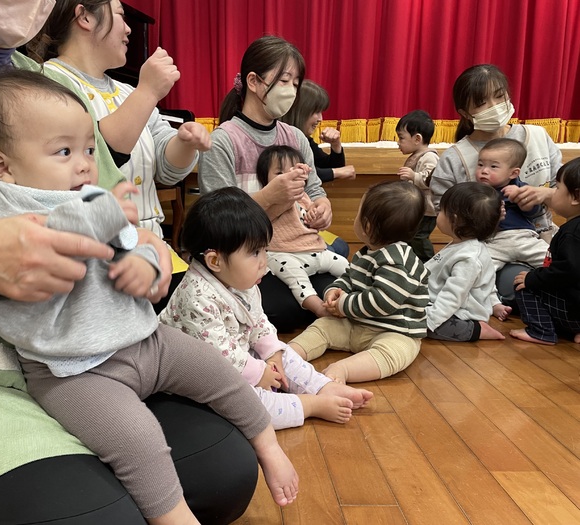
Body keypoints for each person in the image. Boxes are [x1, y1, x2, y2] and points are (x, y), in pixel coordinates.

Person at [0, 2, 272, 523]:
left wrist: (149, 253)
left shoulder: (44, 83)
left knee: (224, 473)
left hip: (101, 346)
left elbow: (111, 201)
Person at [0, 68, 299, 524]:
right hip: (75, 372)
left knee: (218, 372)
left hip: (145, 340)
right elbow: (46, 248)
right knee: (138, 439)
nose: (85, 164)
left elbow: (133, 246)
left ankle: (267, 443)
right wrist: (102, 218)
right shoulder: (1, 218)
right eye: (64, 151)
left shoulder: (89, 197)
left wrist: (146, 266)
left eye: (88, 149)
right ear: (3, 166)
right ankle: (174, 517)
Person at [31, 0, 211, 310]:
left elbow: (167, 170)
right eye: (120, 16)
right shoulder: (49, 81)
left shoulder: (127, 91)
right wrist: (148, 91)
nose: (129, 29)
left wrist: (185, 143)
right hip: (98, 259)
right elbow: (98, 158)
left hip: (152, 247)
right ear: (85, 17)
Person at [159, 187, 373, 430]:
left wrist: (272, 353)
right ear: (215, 261)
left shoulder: (241, 280)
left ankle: (322, 386)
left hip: (235, 356)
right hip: (198, 377)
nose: (264, 261)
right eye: (255, 253)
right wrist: (259, 373)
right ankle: (308, 405)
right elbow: (219, 358)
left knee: (283, 352)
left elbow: (258, 320)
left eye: (265, 250)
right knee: (244, 403)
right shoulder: (196, 297)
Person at [198, 35, 336, 332]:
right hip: (250, 258)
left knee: (339, 289)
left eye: (296, 83)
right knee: (282, 309)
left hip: (301, 249)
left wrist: (323, 207)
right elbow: (216, 221)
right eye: (284, 81)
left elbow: (315, 190)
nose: (291, 91)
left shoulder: (295, 137)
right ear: (253, 81)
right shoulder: (223, 141)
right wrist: (268, 196)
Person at [429, 63, 561, 303]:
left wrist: (545, 195)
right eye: (482, 103)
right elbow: (445, 217)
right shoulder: (454, 158)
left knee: (564, 273)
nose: (494, 106)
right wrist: (483, 217)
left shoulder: (537, 136)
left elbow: (567, 194)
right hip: (488, 246)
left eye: (500, 97)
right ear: (465, 112)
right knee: (514, 286)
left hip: (542, 240)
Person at [288, 181, 430, 384]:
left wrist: (343, 304)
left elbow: (382, 301)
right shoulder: (367, 253)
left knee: (394, 352)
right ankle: (288, 355)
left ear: (367, 226)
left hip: (393, 332)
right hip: (356, 324)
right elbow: (349, 277)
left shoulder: (398, 261)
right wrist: (335, 289)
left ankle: (343, 369)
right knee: (322, 327)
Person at [256, 145, 349, 317]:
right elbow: (264, 217)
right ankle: (319, 309)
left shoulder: (303, 196)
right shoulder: (270, 200)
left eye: (293, 171)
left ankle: (364, 292)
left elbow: (309, 215)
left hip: (315, 250)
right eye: (279, 173)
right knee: (299, 282)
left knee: (345, 265)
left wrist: (315, 213)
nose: (287, 178)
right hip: (283, 254)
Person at [425, 182, 512, 342]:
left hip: (460, 315)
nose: (438, 213)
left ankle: (476, 330)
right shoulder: (460, 245)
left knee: (422, 326)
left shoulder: (469, 258)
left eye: (441, 210)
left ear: (455, 220)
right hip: (439, 304)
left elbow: (452, 296)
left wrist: (428, 321)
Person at [511, 158, 580, 345]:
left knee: (523, 285)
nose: (553, 193)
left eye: (557, 188)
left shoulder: (572, 232)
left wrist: (533, 278)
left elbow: (567, 270)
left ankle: (541, 331)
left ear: (576, 197)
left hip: (574, 310)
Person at [474, 138, 551, 271]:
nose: (484, 171)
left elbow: (535, 213)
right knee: (478, 269)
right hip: (494, 241)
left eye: (493, 166)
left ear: (513, 173)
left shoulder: (522, 188)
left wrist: (522, 201)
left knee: (553, 263)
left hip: (524, 238)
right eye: (480, 164)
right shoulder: (475, 192)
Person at [281, 79, 356, 184]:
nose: (321, 119)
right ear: (301, 112)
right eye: (316, 112)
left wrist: (336, 145)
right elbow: (298, 172)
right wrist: (335, 173)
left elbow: (332, 166)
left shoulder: (305, 140)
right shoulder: (281, 138)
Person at [396, 109, 439, 262]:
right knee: (410, 235)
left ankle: (429, 261)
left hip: (427, 210)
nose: (398, 142)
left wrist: (414, 176)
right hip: (417, 207)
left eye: (401, 138)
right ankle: (412, 261)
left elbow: (432, 180)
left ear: (417, 139)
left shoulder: (430, 157)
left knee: (419, 237)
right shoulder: (416, 156)